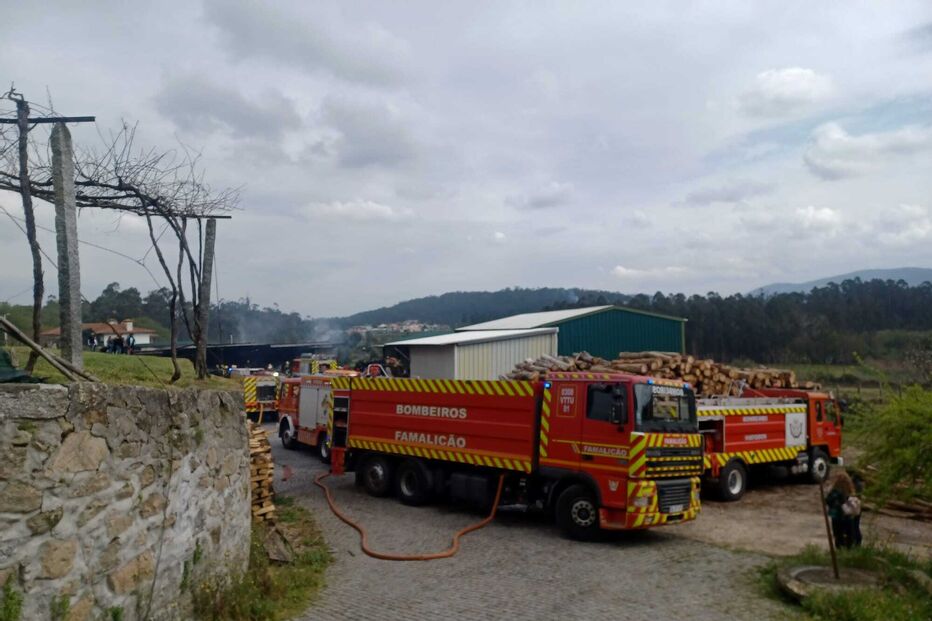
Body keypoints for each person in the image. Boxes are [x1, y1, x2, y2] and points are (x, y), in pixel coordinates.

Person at [825, 472, 861, 548]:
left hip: (836, 517)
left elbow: (828, 501)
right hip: (847, 516)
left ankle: (840, 548)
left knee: (838, 535)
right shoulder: (849, 490)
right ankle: (850, 549)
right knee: (850, 535)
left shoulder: (833, 492)